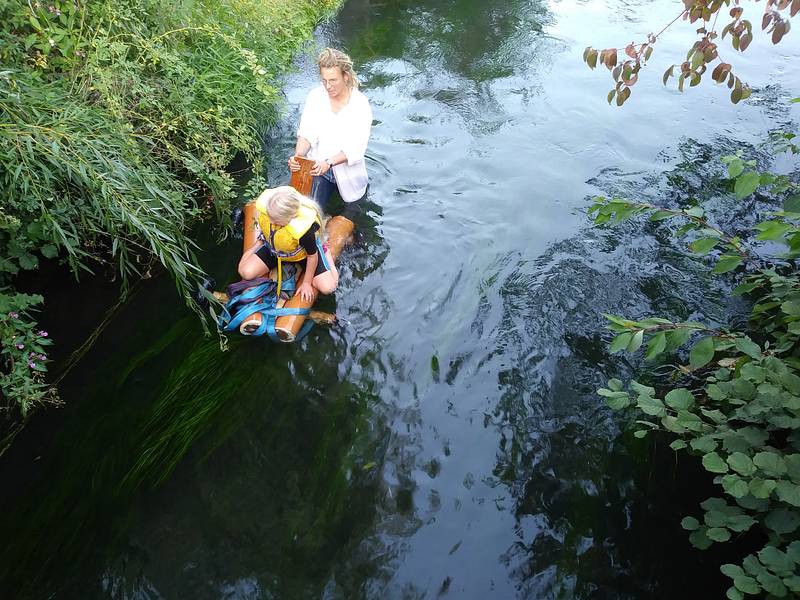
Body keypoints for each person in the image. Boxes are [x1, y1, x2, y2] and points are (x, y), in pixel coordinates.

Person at [288, 47, 372, 209]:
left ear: (345, 77)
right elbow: (307, 133)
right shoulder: (315, 96)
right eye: (324, 80)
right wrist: (298, 157)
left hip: (348, 175)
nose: (328, 86)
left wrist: (329, 162)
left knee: (351, 223)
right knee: (309, 212)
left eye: (333, 80)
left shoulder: (360, 105)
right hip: (319, 169)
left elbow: (356, 148)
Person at [238, 186, 338, 301]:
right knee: (245, 272)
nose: (270, 221)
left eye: (275, 220)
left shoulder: (304, 231)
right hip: (275, 250)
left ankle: (326, 253)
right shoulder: (269, 211)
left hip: (302, 255)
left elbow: (312, 257)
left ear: (290, 218)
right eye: (269, 216)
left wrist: (306, 283)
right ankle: (259, 243)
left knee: (329, 287)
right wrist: (260, 243)